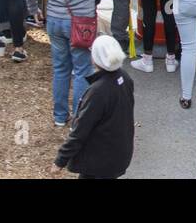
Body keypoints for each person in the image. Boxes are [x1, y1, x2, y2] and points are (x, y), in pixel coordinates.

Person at [26, 0, 115, 126]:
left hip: (56, 19)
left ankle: (59, 116)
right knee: (83, 70)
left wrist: (33, 9)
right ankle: (79, 117)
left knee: (60, 68)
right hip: (82, 21)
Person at [52, 35, 135, 180]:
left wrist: (60, 160)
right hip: (118, 153)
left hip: (99, 161)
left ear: (95, 59)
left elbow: (81, 129)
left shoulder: (98, 91)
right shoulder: (124, 78)